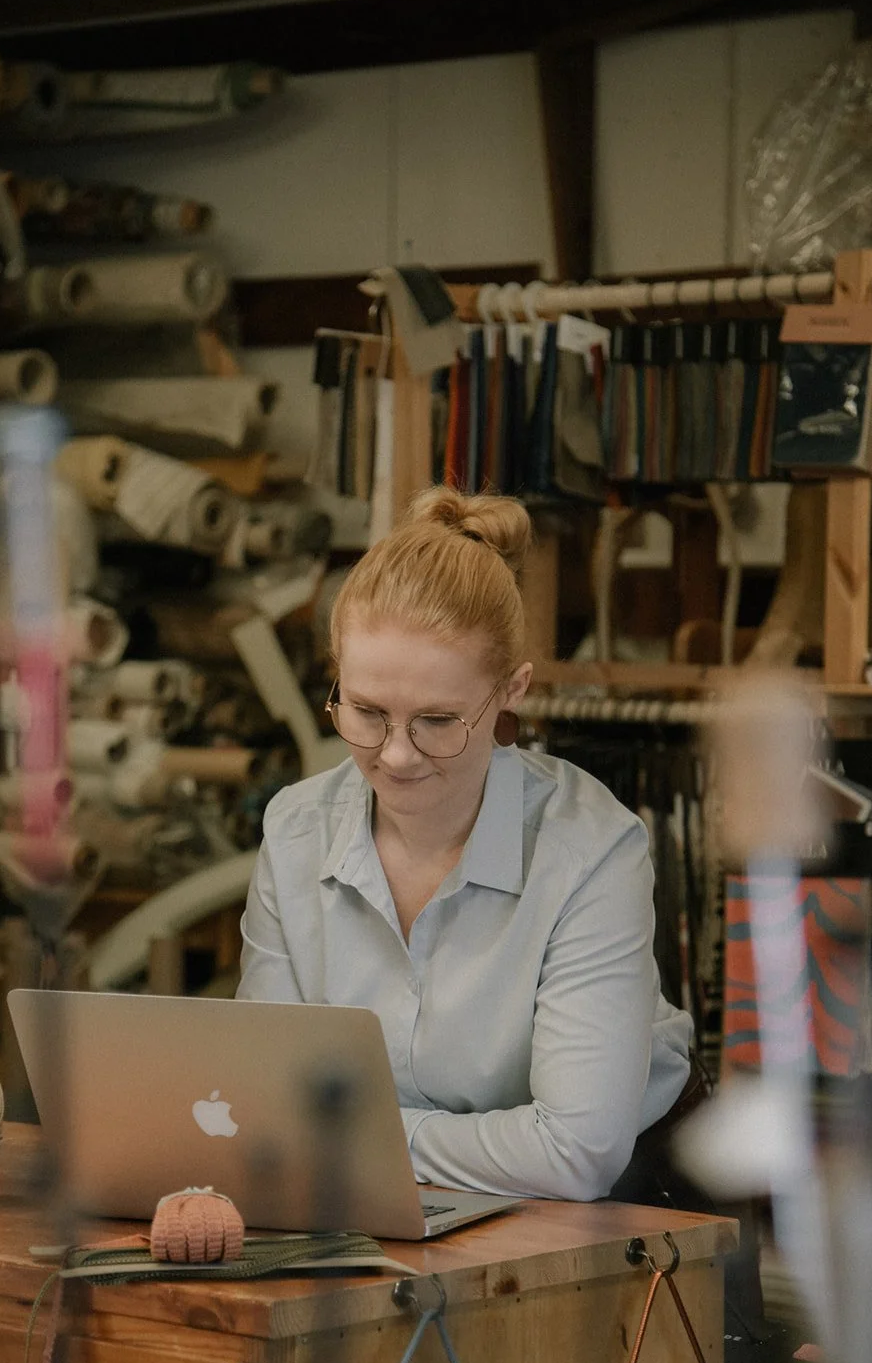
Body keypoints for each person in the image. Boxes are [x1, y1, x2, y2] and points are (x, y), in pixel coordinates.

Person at [236, 488, 691, 1200]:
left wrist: (359, 1136)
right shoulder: (296, 831)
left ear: (510, 691)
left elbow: (574, 1154)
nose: (395, 756)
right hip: (383, 1203)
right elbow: (264, 1097)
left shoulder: (591, 850)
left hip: (617, 1213)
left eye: (437, 721)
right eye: (365, 712)